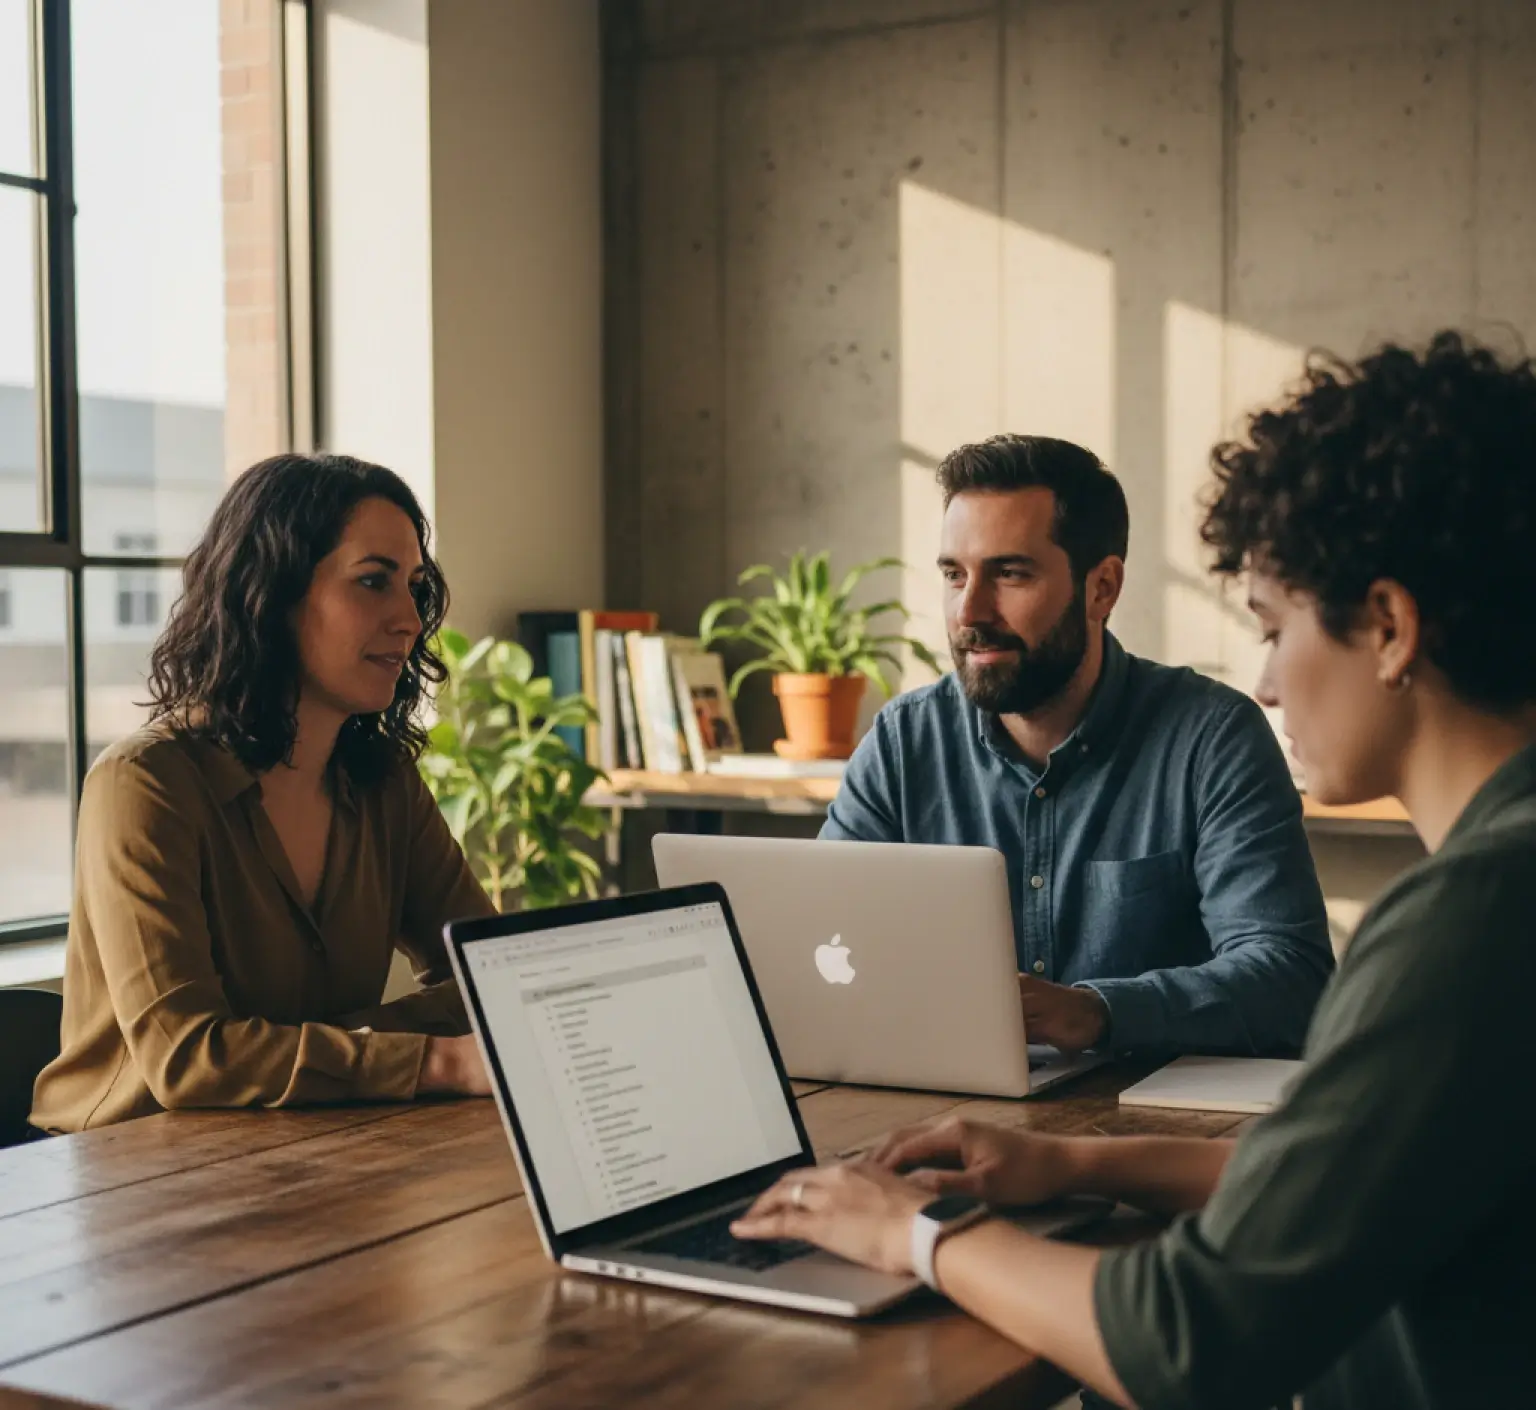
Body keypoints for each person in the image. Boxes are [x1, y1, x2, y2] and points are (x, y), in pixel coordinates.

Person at [736, 331, 1536, 1407]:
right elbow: (1334, 1175)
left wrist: (914, 1234)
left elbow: (1195, 1341)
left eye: (1273, 625)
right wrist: (1073, 1164)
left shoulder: (1473, 920)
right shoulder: (1498, 889)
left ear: (1388, 627)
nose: (1266, 679)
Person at [822, 434, 1331, 1055]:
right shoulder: (904, 743)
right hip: (947, 1107)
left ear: (1103, 589)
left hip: (1144, 1131)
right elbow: (821, 941)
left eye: (1010, 573)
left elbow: (1290, 978)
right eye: (955, 575)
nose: (969, 611)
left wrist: (1097, 1012)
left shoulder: (1212, 738)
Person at [31, 453, 494, 1134]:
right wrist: (438, 1060)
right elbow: (188, 1058)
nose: (409, 619)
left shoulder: (384, 783)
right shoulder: (145, 785)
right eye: (373, 582)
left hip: (314, 1148)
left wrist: (334, 1042)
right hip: (122, 1181)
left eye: (414, 587)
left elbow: (495, 975)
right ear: (270, 596)